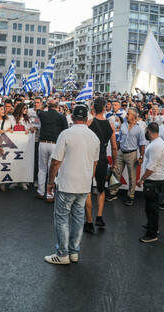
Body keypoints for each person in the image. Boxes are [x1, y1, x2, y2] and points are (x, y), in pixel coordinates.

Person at [43, 105, 100, 265]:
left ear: (73, 117)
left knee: (61, 218)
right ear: (87, 118)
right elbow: (95, 164)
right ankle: (74, 252)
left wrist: (50, 182)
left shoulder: (66, 134)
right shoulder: (94, 137)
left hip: (67, 183)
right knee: (78, 217)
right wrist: (88, 178)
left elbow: (55, 162)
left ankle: (62, 254)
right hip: (84, 184)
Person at [84, 97, 117, 233]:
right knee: (101, 189)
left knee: (88, 190)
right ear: (104, 108)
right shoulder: (110, 125)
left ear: (93, 108)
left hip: (90, 158)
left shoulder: (88, 123)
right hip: (103, 158)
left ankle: (89, 222)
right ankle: (99, 217)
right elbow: (114, 148)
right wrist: (114, 164)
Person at [108, 107, 146, 206]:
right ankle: (113, 193)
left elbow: (142, 144)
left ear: (134, 116)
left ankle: (130, 196)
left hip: (132, 154)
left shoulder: (139, 129)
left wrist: (141, 157)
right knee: (117, 173)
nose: (126, 115)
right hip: (121, 153)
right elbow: (119, 140)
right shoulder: (123, 125)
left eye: (128, 114)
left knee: (132, 177)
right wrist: (116, 152)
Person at [137, 122, 164, 243]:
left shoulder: (156, 145)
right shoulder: (156, 143)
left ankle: (152, 233)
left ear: (148, 131)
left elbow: (152, 166)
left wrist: (142, 179)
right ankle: (152, 226)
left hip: (153, 180)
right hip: (154, 179)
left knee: (151, 208)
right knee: (151, 206)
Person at [36, 99, 68, 202]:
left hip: (43, 143)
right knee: (53, 170)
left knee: (42, 168)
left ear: (48, 106)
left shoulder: (43, 114)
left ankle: (40, 192)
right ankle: (50, 195)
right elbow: (65, 131)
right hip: (55, 144)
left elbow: (38, 110)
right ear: (57, 106)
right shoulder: (62, 117)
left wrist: (45, 104)